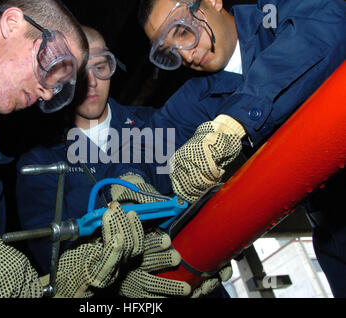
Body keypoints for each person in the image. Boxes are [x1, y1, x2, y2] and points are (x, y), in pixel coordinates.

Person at [0, 0, 156, 299]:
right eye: (55, 66)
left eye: (60, 87)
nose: (48, 91)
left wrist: (65, 283)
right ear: (12, 24)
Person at [138, 0, 346, 296]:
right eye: (170, 51)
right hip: (334, 228)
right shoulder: (195, 100)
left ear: (212, 2)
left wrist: (234, 122)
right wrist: (129, 188)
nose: (186, 55)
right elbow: (149, 150)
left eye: (182, 32)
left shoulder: (275, 11)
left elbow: (324, 28)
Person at [16, 26, 193, 298]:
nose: (93, 82)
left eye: (100, 66)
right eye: (77, 73)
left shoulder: (157, 124)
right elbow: (53, 257)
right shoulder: (39, 162)